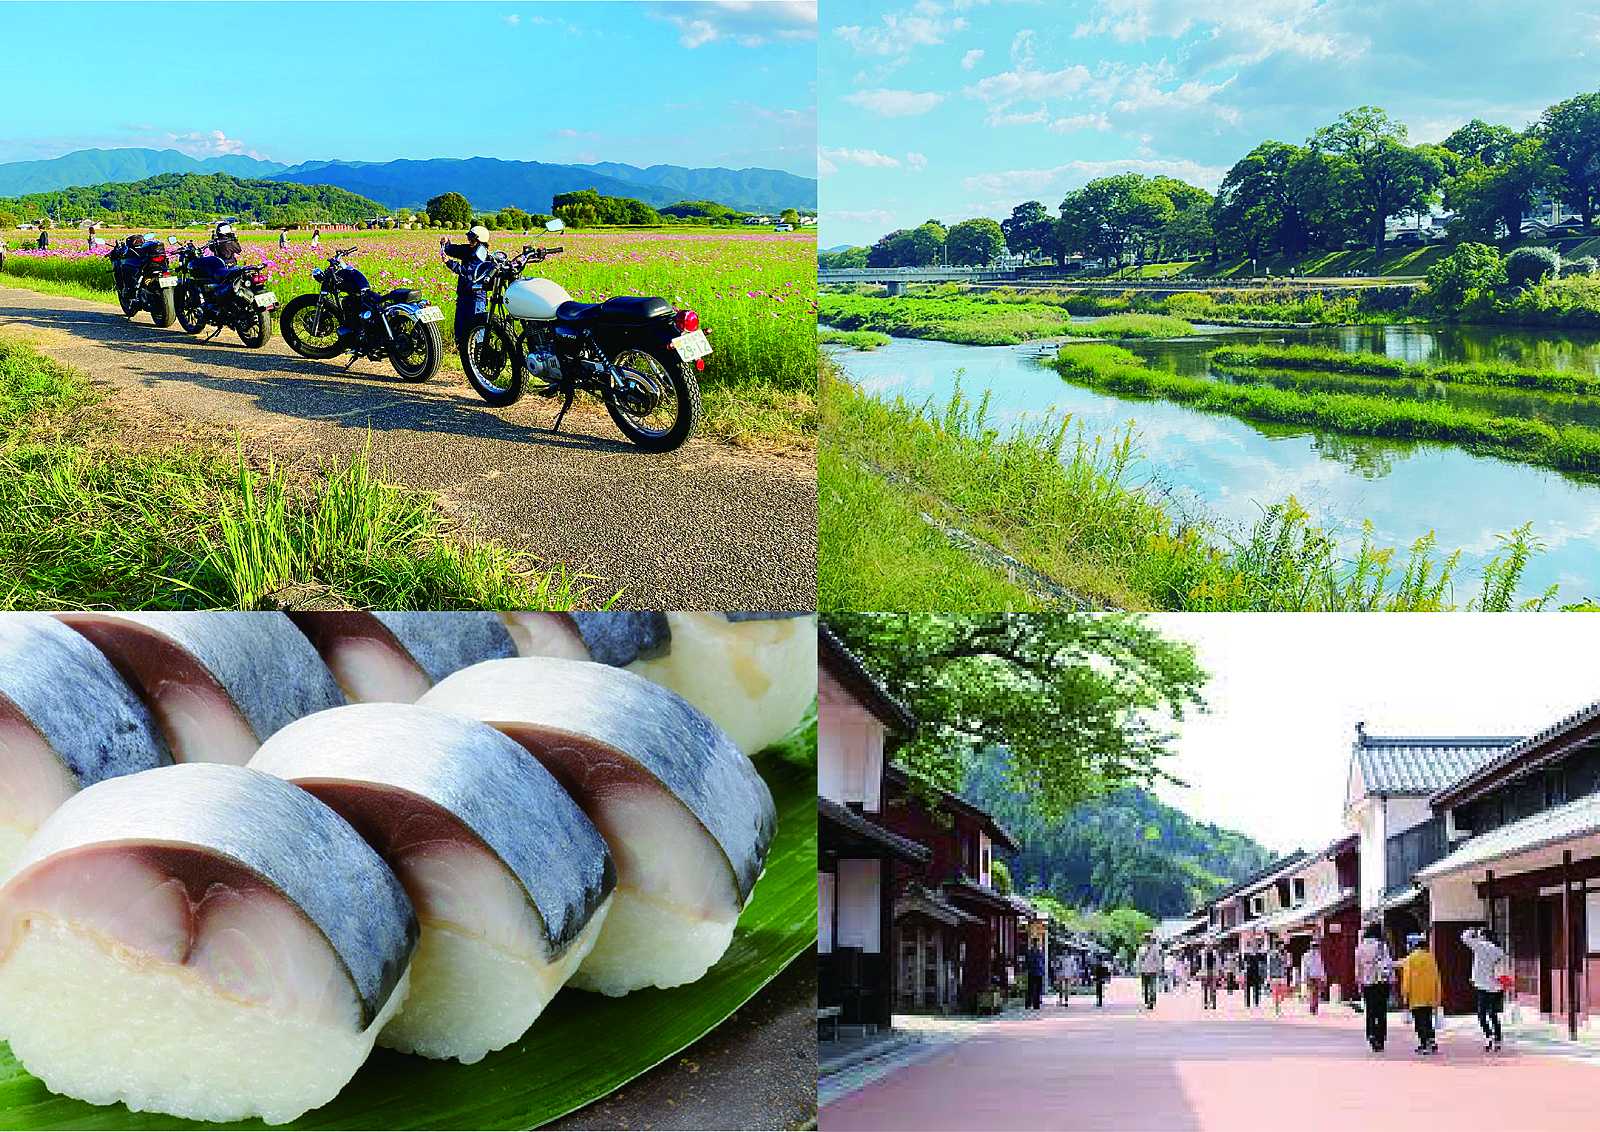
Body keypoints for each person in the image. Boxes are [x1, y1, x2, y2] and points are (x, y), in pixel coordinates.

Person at [441, 225, 493, 348]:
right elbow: (453, 250)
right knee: (460, 325)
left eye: (472, 240)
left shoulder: (482, 256)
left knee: (477, 327)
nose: (469, 242)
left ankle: (479, 350)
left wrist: (449, 263)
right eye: (469, 239)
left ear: (481, 242)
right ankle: (461, 348)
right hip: (463, 294)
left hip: (476, 296)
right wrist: (446, 244)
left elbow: (467, 272)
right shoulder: (468, 249)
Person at [1463, 926, 1507, 1052]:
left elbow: (1464, 937)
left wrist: (1472, 930)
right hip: (1496, 986)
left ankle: (1489, 1036)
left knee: (1481, 1013)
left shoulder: (1480, 946)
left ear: (1482, 936)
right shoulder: (1498, 950)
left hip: (1482, 985)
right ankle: (1498, 1038)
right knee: (1493, 1013)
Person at [1399, 933, 1442, 1055]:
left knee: (1419, 1020)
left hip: (1415, 995)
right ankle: (1431, 1041)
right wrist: (1437, 994)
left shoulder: (1410, 959)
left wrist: (1405, 994)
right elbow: (1436, 977)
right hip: (1429, 995)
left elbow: (1406, 979)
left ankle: (1424, 1043)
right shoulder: (1430, 957)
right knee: (1427, 1019)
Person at [1354, 925, 1394, 1052]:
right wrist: (1392, 979)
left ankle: (1371, 1034)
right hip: (1382, 982)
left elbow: (1357, 967)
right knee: (1381, 1011)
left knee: (1370, 1011)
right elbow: (1388, 963)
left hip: (1367, 983)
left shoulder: (1360, 947)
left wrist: (1359, 981)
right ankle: (1380, 1038)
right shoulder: (1382, 946)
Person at [1136, 935, 1162, 1010]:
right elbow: (1158, 960)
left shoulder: (1141, 949)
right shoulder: (1155, 949)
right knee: (1152, 986)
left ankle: (1147, 1000)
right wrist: (1159, 969)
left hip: (1144, 970)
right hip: (1152, 970)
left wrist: (1138, 970)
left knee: (1145, 986)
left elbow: (1138, 961)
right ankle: (1151, 1001)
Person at [1303, 936, 1327, 1016]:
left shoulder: (1307, 955)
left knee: (1313, 992)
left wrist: (1304, 977)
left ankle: (1313, 1007)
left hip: (1312, 976)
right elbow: (1320, 966)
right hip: (1315, 976)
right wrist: (1323, 977)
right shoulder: (1317, 955)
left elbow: (1305, 967)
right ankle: (1313, 1007)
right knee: (1315, 993)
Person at [1268, 940, 1290, 1015]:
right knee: (1276, 993)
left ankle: (1278, 1005)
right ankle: (1277, 1008)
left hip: (1282, 975)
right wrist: (1269, 977)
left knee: (1284, 993)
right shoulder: (1272, 955)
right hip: (1275, 976)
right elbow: (1270, 966)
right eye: (1281, 945)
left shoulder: (1285, 954)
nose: (1282, 947)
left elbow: (1288, 964)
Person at [1242, 939, 1265, 1009]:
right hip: (1249, 972)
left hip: (1256, 972)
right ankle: (1248, 1003)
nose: (1254, 947)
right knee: (1248, 989)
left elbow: (1263, 961)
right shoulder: (1246, 955)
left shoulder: (1259, 955)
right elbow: (1243, 964)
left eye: (1256, 945)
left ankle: (1256, 1003)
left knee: (1256, 989)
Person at [1025, 940, 1045, 1011]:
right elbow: (1027, 962)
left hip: (1037, 972)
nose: (1036, 945)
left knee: (1036, 988)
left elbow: (1042, 963)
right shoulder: (1031, 952)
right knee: (1032, 988)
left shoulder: (1040, 952)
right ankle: (1030, 1003)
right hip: (1033, 972)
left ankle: (1035, 1003)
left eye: (1037, 943)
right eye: (1035, 943)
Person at [1200, 946, 1219, 1010]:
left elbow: (1217, 963)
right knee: (1205, 989)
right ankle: (1206, 1004)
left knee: (1213, 989)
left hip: (1212, 972)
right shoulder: (1203, 953)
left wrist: (1217, 972)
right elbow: (1201, 964)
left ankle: (1213, 1003)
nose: (1209, 947)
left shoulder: (1215, 953)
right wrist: (1201, 974)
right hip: (1205, 972)